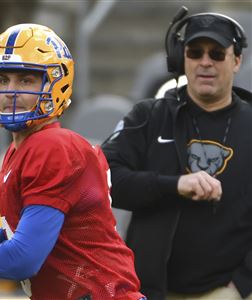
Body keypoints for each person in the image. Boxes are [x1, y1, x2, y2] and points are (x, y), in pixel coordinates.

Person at [0, 23, 146, 300]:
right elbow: (37, 239)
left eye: (25, 80)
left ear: (57, 84)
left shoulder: (50, 147)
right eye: (2, 79)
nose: (9, 91)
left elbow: (23, 260)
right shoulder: (23, 148)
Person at [102, 7, 252, 300]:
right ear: (181, 59)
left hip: (229, 293)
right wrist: (174, 185)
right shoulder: (149, 116)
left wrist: (239, 287)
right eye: (195, 52)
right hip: (148, 291)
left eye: (217, 53)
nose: (205, 62)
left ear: (237, 61)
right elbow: (103, 179)